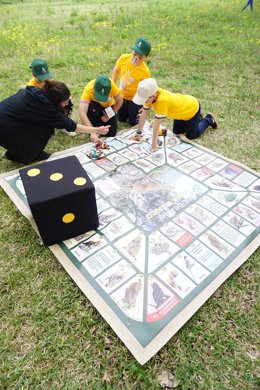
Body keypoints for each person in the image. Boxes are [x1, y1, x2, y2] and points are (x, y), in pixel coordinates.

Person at [0, 80, 109, 164]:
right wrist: (96, 130)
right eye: (65, 102)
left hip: (9, 119)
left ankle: (16, 151)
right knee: (47, 129)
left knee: (40, 127)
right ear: (57, 101)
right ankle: (25, 155)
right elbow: (72, 126)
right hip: (4, 127)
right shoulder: (47, 109)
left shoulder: (36, 92)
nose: (67, 104)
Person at [133, 78, 218, 152]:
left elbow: (157, 124)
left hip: (192, 109)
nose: (144, 101)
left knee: (192, 135)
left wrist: (154, 144)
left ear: (153, 95)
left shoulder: (162, 101)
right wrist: (138, 132)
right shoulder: (151, 95)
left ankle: (208, 119)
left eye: (145, 99)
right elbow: (144, 114)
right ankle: (197, 120)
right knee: (177, 132)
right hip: (180, 113)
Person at [28, 59, 76, 137]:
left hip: (52, 102)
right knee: (48, 133)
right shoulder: (31, 86)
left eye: (46, 76)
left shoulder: (50, 79)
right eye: (41, 77)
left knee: (68, 102)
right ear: (33, 75)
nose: (44, 79)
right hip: (42, 106)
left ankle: (63, 125)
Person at [112, 37, 151, 126]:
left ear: (146, 57)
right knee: (120, 118)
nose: (136, 58)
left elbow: (145, 90)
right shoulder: (124, 58)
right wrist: (114, 86)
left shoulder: (145, 71)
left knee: (133, 122)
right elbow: (116, 70)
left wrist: (144, 105)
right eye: (134, 54)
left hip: (135, 99)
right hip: (122, 95)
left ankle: (135, 110)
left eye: (140, 57)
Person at [79, 75, 123, 143]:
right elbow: (82, 113)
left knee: (111, 133)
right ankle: (93, 126)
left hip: (108, 107)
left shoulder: (111, 85)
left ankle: (99, 125)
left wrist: (109, 115)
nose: (101, 99)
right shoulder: (88, 89)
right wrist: (92, 132)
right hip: (94, 109)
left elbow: (120, 101)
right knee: (93, 106)